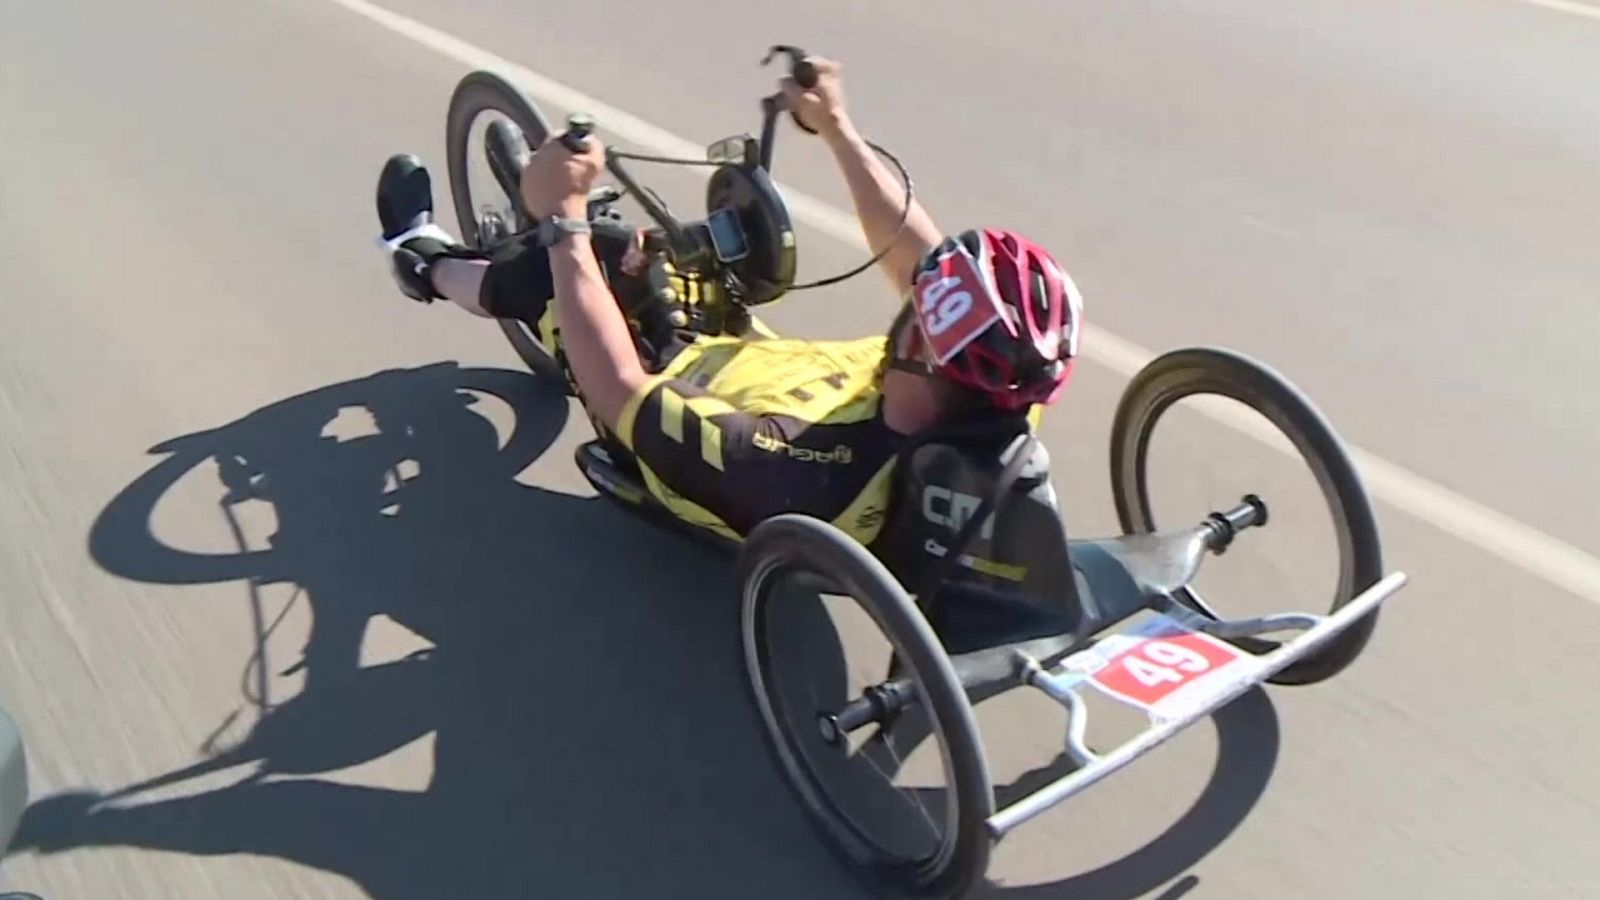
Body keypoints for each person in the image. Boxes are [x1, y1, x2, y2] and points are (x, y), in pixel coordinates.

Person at [373, 57, 1084, 543]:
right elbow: (912, 251)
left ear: (923, 348)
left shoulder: (792, 468)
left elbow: (620, 389)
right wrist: (836, 127)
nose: (916, 291)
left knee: (548, 274)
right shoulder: (997, 398)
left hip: (671, 384)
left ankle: (424, 261)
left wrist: (563, 221)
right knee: (689, 249)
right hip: (759, 363)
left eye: (922, 308)